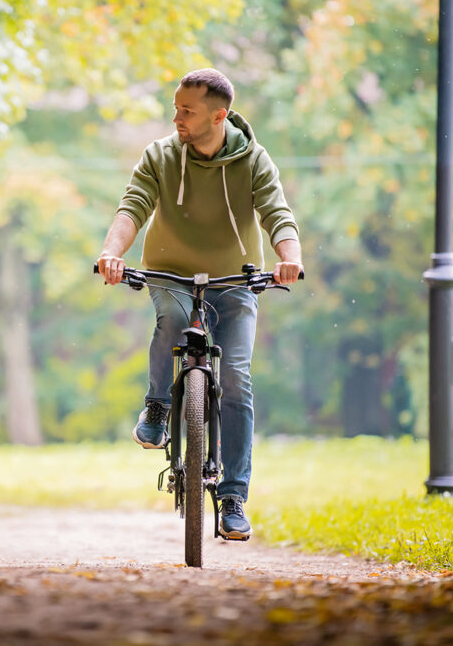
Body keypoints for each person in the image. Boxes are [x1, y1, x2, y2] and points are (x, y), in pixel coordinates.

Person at [96, 68, 302, 540]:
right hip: (169, 272)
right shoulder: (161, 155)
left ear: (219, 115)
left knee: (236, 378)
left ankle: (232, 497)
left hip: (237, 279)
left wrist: (291, 258)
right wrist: (112, 253)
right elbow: (133, 206)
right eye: (176, 108)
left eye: (186, 111)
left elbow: (276, 212)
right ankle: (156, 407)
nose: (177, 118)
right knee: (170, 319)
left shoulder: (254, 161)